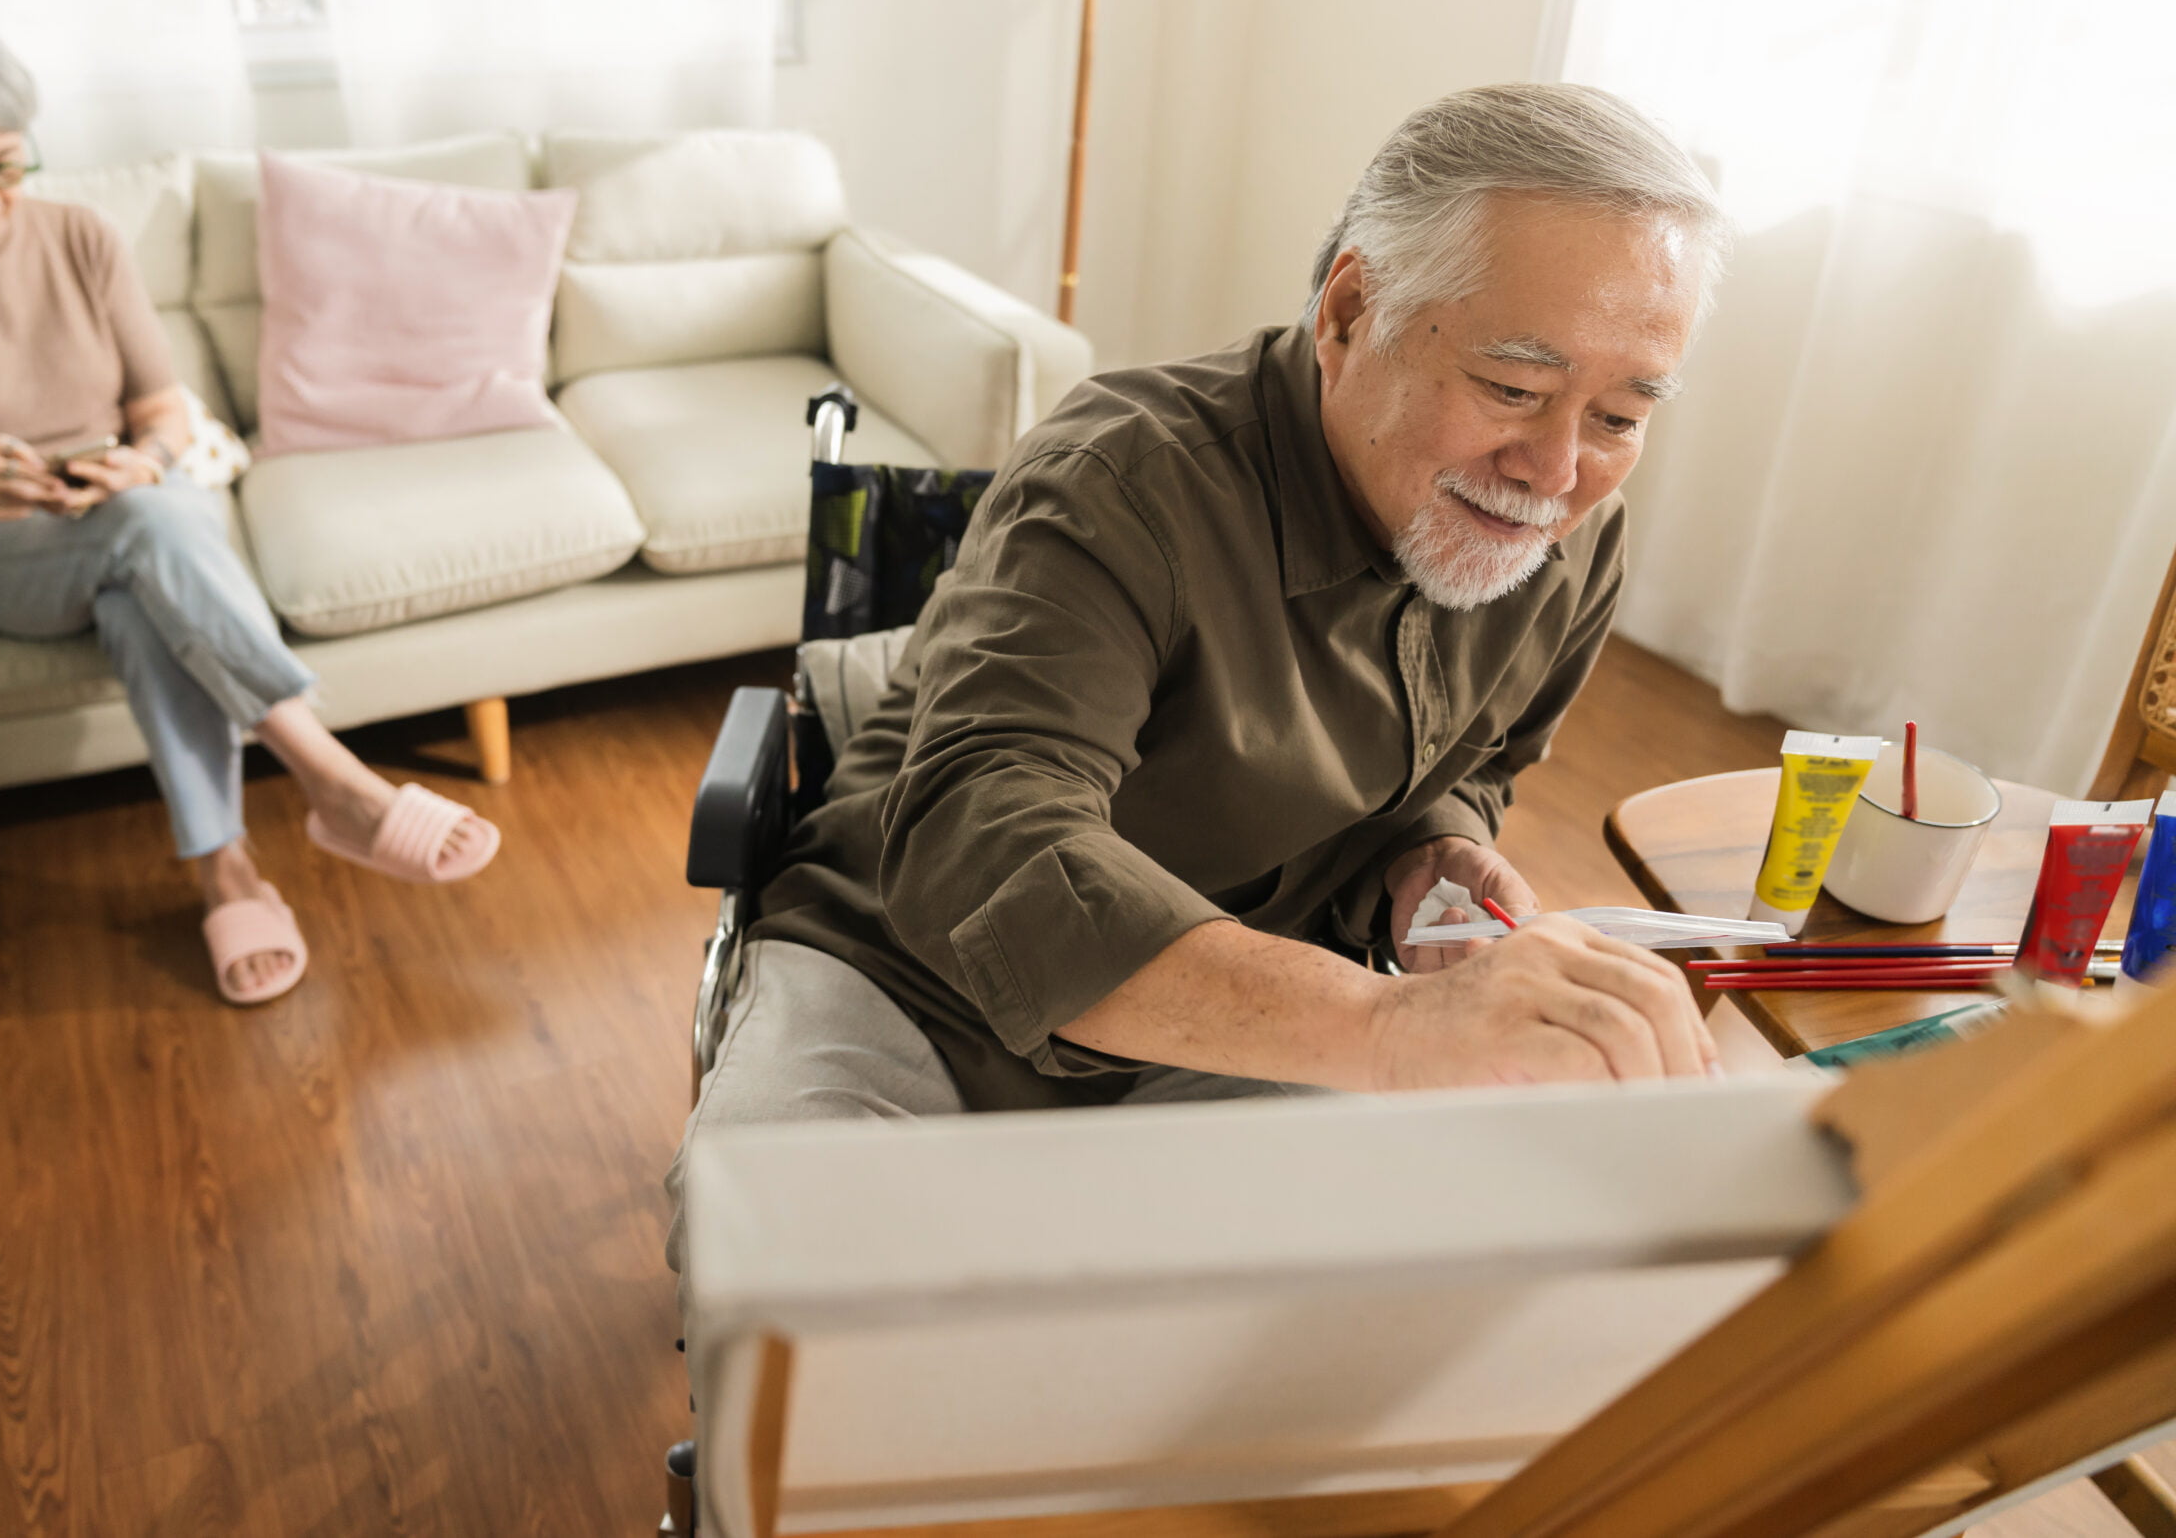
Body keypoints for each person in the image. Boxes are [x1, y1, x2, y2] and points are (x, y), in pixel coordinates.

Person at [670, 82, 1733, 1296]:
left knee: (1375, 1310)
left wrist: (1431, 851)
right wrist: (1391, 1029)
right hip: (910, 979)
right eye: (1511, 388)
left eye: (1618, 413)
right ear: (1351, 308)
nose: (1556, 470)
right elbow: (987, 840)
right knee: (782, 1281)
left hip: (1253, 998)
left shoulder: (1576, 536)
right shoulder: (1120, 479)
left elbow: (1478, 762)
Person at [0, 17, 498, 1006]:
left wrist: (142, 459)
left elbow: (158, 408)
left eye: (5, 164)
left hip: (131, 518)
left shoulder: (84, 237)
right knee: (162, 527)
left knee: (149, 569)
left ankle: (226, 872)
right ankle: (335, 782)